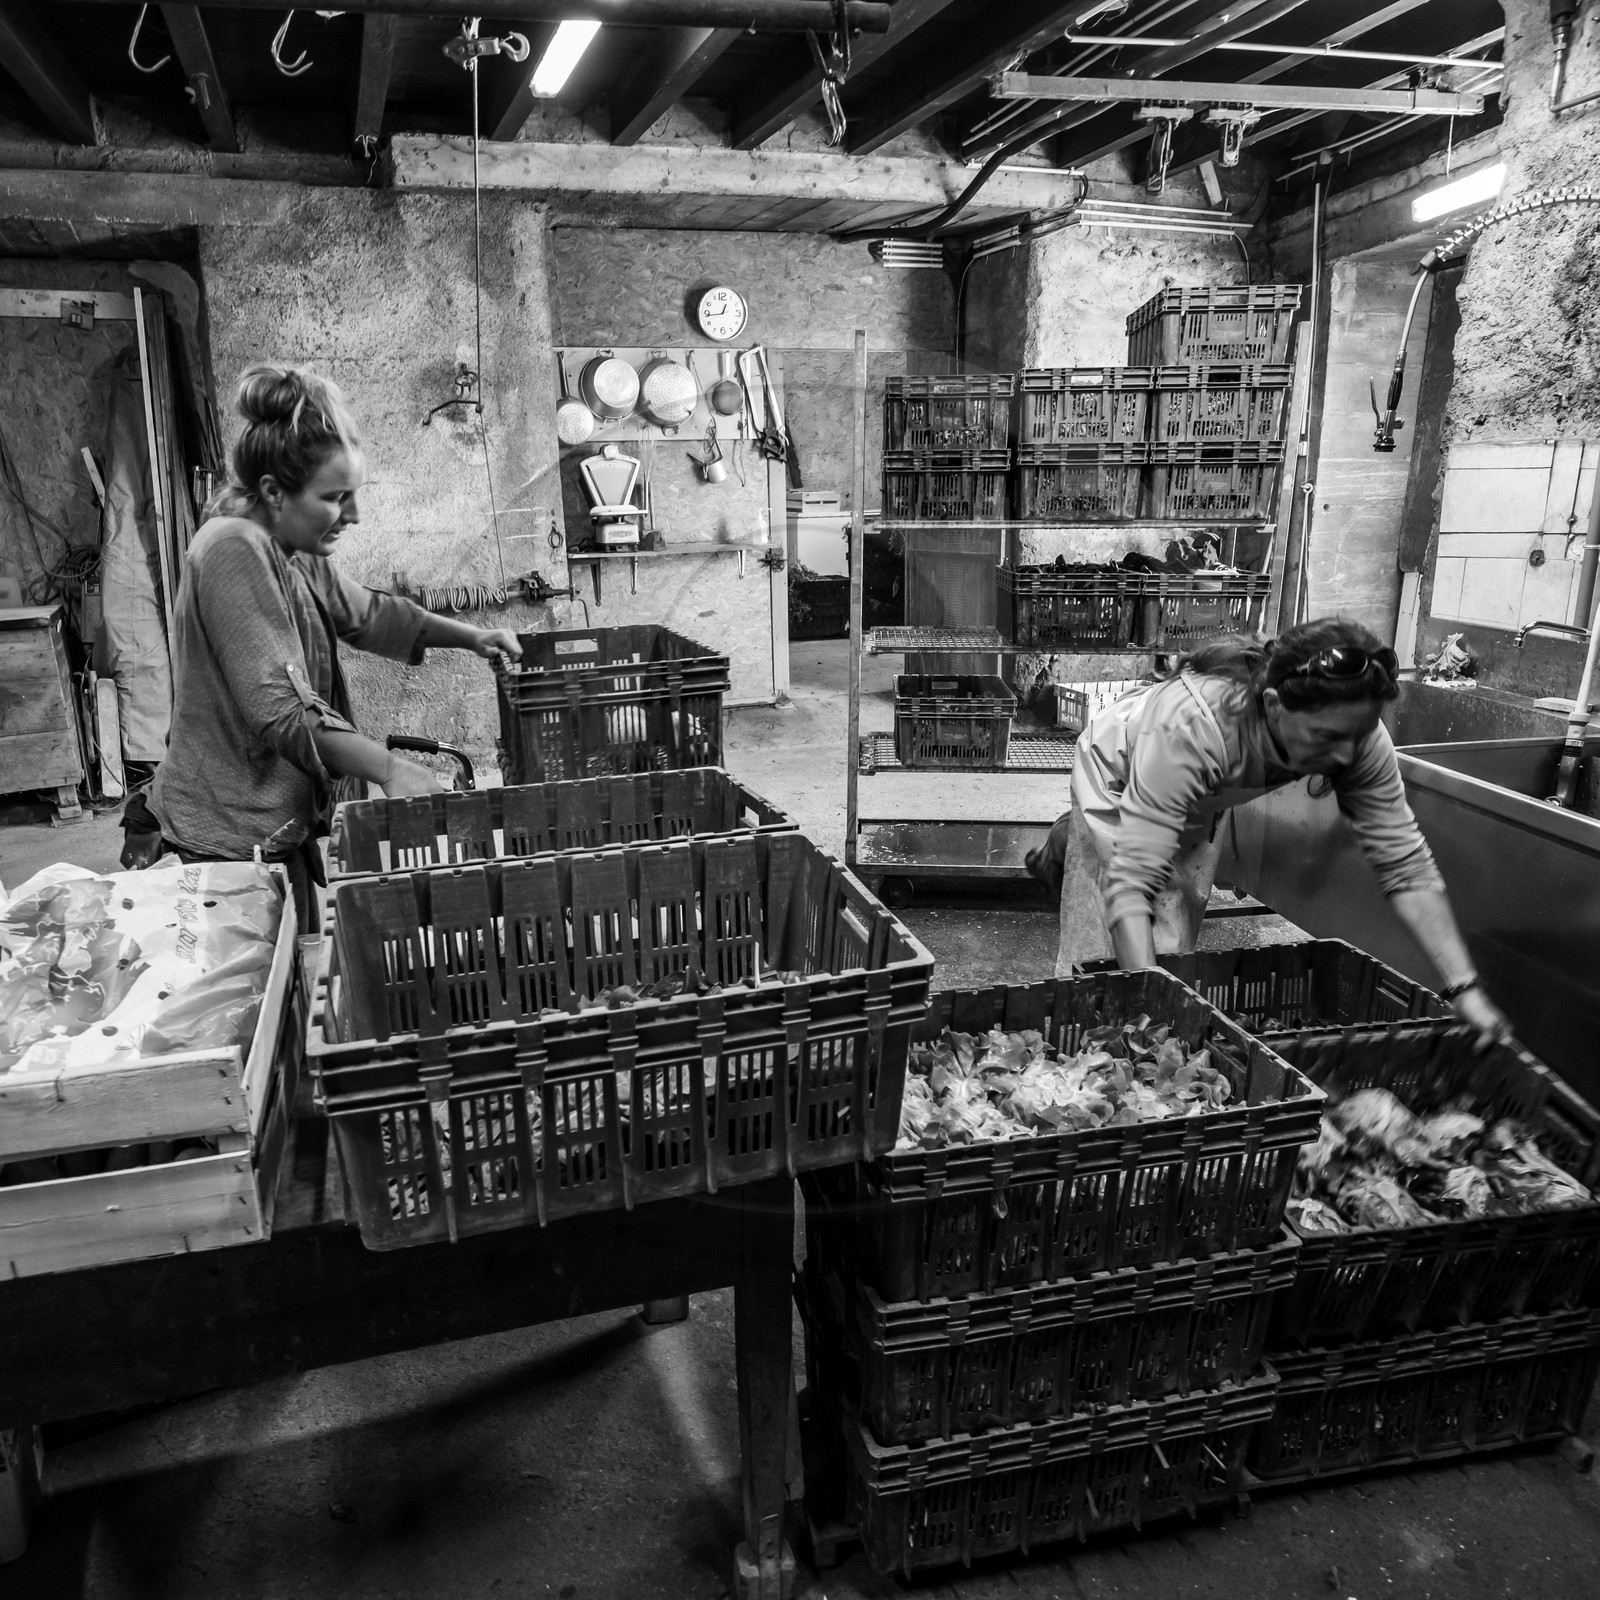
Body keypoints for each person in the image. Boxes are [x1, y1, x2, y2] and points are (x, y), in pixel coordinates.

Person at [122, 364, 522, 929]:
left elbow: (367, 615)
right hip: (230, 840)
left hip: (278, 825)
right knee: (257, 1001)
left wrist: (473, 636)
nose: (353, 515)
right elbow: (281, 711)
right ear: (272, 492)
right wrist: (388, 769)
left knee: (299, 981)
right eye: (336, 498)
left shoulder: (292, 545)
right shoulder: (233, 550)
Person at [1039, 616, 1511, 1042]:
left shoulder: (1352, 729)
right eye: (1327, 739)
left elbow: (1404, 862)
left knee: (1170, 943)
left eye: (1358, 736)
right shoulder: (1193, 729)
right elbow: (1130, 885)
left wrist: (1463, 987)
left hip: (1200, 790)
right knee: (1102, 962)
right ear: (1272, 705)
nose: (1346, 757)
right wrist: (1150, 1009)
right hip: (1120, 774)